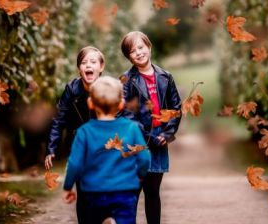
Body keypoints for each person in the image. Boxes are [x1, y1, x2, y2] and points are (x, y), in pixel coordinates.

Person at [63, 76, 151, 224]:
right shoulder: (132, 128)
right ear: (122, 104)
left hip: (93, 192)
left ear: (90, 103)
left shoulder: (84, 131)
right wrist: (140, 175)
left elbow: (75, 163)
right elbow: (144, 157)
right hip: (125, 190)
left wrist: (68, 187)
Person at [121, 31, 181, 224]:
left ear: (149, 46)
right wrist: (146, 135)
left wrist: (168, 132)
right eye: (132, 51)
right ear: (128, 57)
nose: (138, 53)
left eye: (141, 47)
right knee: (133, 192)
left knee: (153, 192)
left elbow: (175, 107)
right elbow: (126, 114)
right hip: (137, 141)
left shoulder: (165, 77)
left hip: (160, 138)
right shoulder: (127, 80)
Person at [45, 46, 105, 223]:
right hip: (79, 147)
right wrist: (51, 148)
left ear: (101, 67)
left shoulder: (108, 88)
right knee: (84, 193)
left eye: (93, 62)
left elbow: (120, 118)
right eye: (84, 62)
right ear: (79, 68)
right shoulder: (71, 90)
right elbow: (59, 119)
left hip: (103, 148)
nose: (88, 65)